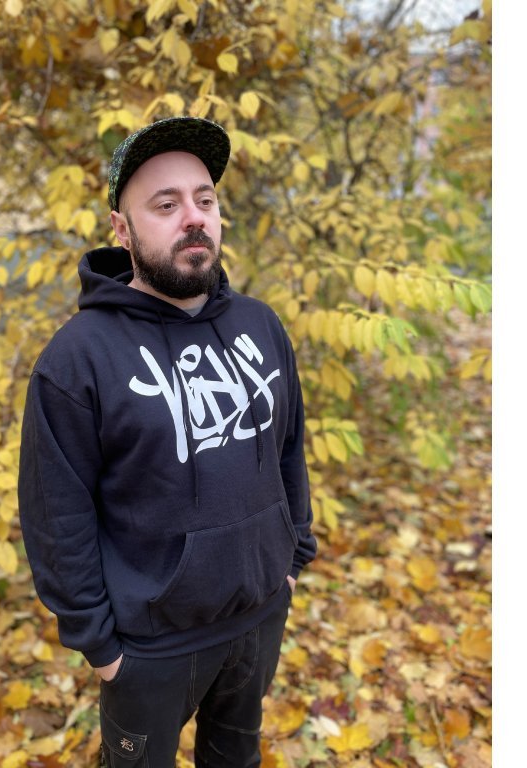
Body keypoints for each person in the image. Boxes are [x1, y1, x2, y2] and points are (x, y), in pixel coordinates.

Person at [18, 116, 317, 767]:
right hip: (149, 649)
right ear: (122, 230)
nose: (194, 217)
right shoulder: (78, 359)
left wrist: (293, 557)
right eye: (165, 204)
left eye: (204, 199)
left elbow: (289, 450)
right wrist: (102, 647)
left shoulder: (260, 326)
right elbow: (56, 515)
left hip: (260, 616)